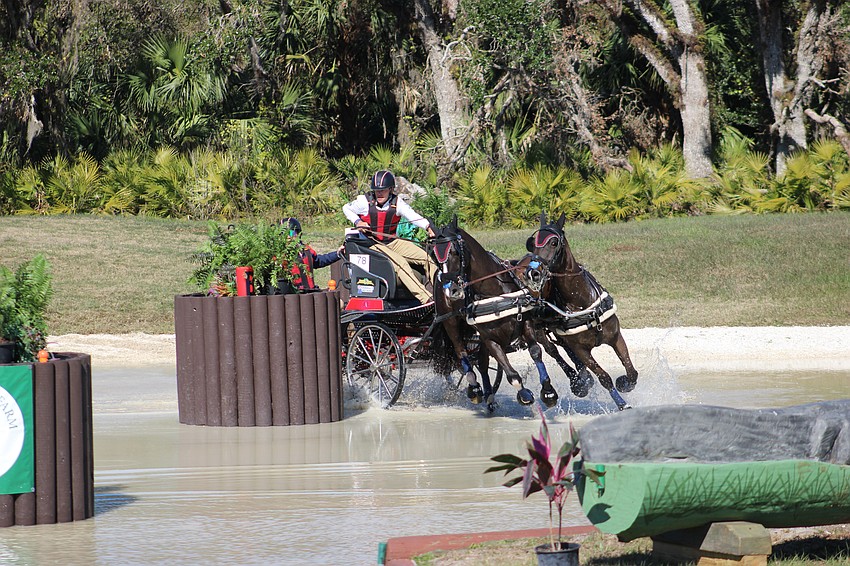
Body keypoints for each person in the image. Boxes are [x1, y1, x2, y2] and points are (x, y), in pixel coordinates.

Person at [342, 170, 436, 305]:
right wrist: (358, 222)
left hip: (392, 242)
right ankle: (426, 299)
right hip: (372, 245)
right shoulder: (364, 202)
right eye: (376, 190)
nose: (379, 193)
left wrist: (427, 227)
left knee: (427, 258)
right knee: (400, 263)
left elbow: (413, 216)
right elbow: (346, 208)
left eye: (383, 190)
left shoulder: (397, 202)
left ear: (391, 189)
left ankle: (440, 293)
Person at [280, 217, 343, 292]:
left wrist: (338, 253)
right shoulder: (278, 253)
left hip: (310, 293)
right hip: (292, 295)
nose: (288, 236)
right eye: (284, 233)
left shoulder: (306, 249)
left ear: (298, 233)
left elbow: (318, 261)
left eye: (291, 232)